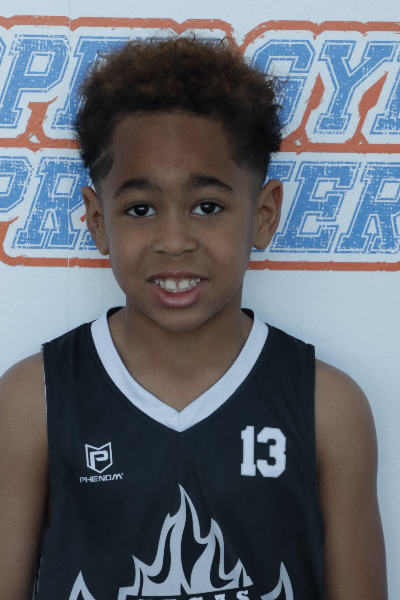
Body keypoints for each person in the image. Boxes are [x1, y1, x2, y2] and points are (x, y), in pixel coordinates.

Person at [0, 37, 387, 600]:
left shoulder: (327, 408)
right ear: (97, 222)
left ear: (264, 215)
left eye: (207, 207)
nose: (174, 241)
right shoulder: (33, 401)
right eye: (140, 209)